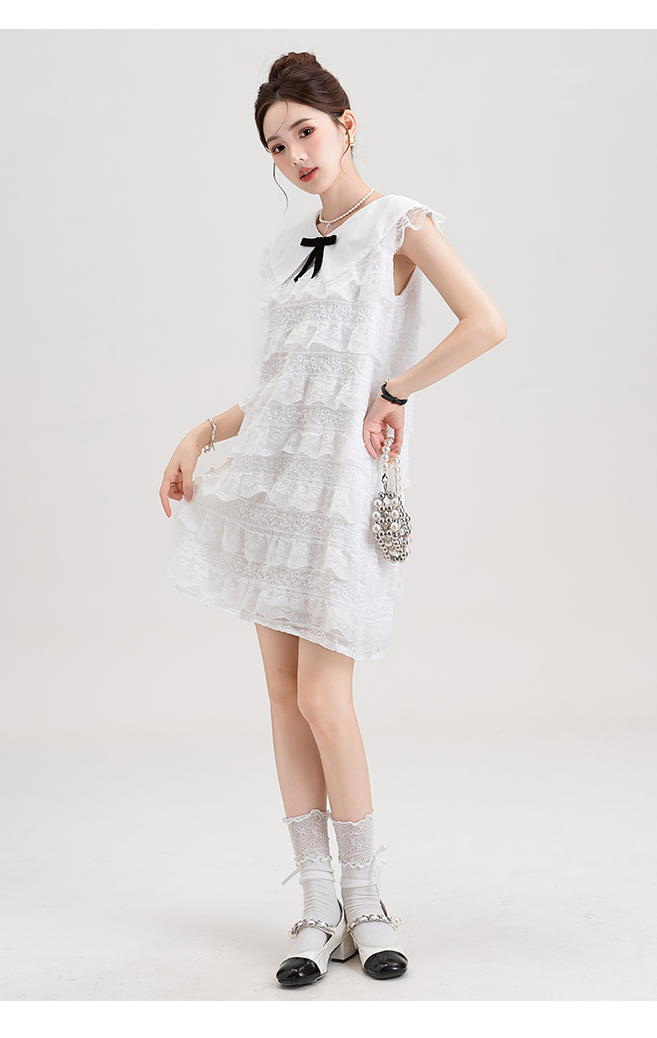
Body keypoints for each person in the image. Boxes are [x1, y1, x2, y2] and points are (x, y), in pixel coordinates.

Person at [159, 51, 507, 987]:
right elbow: (284, 390)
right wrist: (201, 433)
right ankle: (317, 909)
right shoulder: (285, 250)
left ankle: (368, 902)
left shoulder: (401, 223)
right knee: (282, 696)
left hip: (343, 487)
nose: (294, 156)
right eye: (276, 146)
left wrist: (396, 390)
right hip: (275, 483)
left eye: (305, 132)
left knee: (324, 696)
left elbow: (485, 322)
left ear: (346, 124)